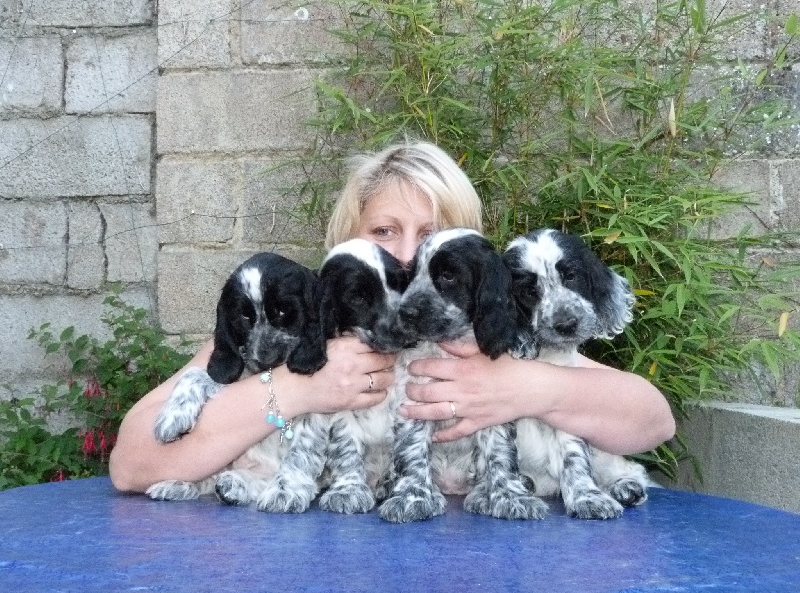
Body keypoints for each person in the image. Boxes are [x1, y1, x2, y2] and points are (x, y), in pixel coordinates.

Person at [109, 140, 675, 493]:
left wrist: (524, 386)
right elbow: (133, 463)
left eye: (429, 237)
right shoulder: (300, 325)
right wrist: (295, 389)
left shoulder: (488, 330)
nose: (407, 255)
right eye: (384, 231)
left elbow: (651, 421)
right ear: (349, 241)